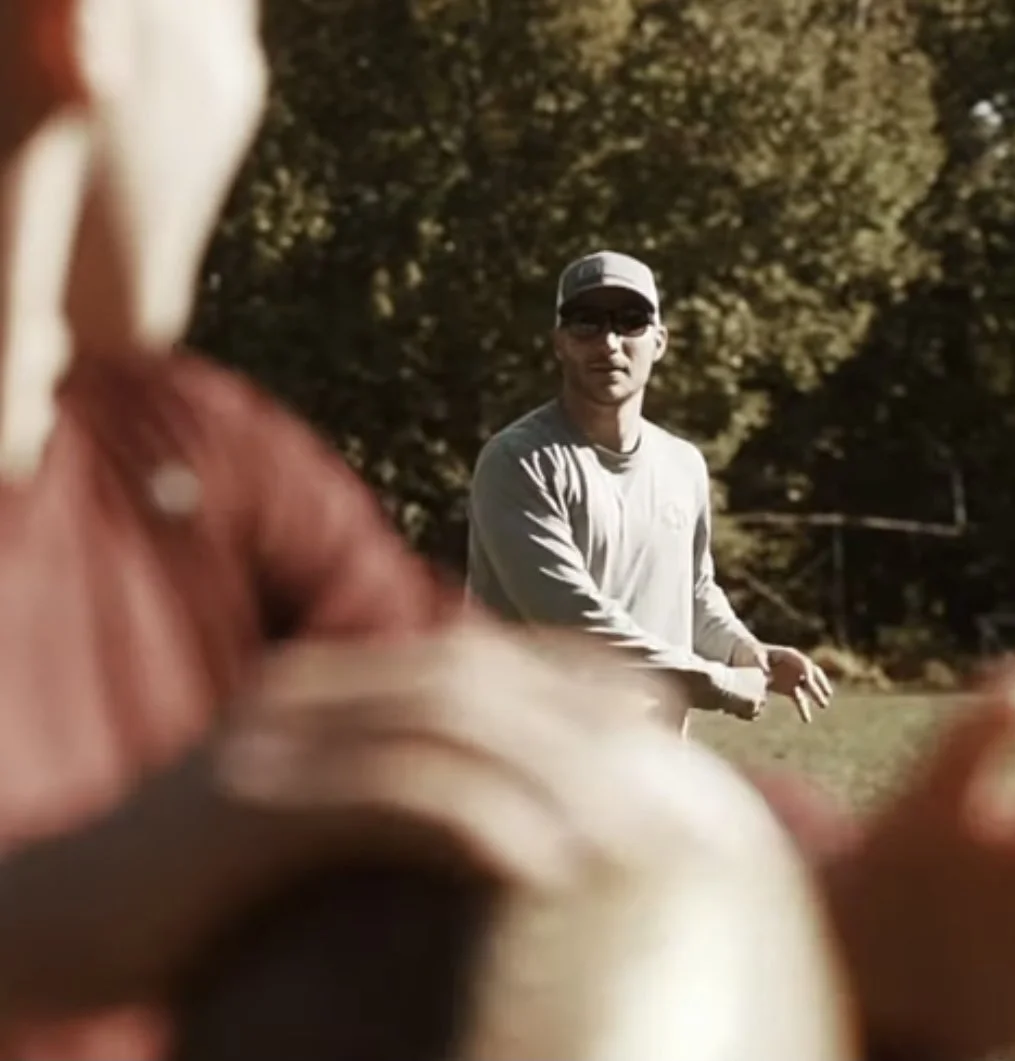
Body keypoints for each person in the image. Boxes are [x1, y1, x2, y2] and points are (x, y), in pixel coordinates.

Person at [0, 4, 749, 1058]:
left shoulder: (189, 457)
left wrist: (876, 901)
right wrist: (57, 909)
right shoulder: (497, 459)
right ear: (72, 31)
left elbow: (502, 727)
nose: (249, 83)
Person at [468, 250, 832, 728]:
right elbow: (573, 622)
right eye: (586, 323)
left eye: (631, 321)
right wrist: (720, 682)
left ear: (659, 341)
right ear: (559, 342)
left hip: (649, 759)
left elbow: (695, 595)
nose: (609, 343)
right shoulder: (520, 460)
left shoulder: (684, 464)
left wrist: (747, 653)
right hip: (532, 757)